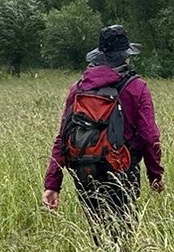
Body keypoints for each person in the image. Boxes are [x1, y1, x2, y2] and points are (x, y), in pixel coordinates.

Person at [43, 24, 163, 236]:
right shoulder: (136, 87)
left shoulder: (79, 88)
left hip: (84, 169)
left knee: (99, 231)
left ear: (99, 56)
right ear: (125, 56)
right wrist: (155, 174)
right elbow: (148, 136)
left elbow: (63, 137)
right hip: (122, 168)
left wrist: (52, 184)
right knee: (123, 232)